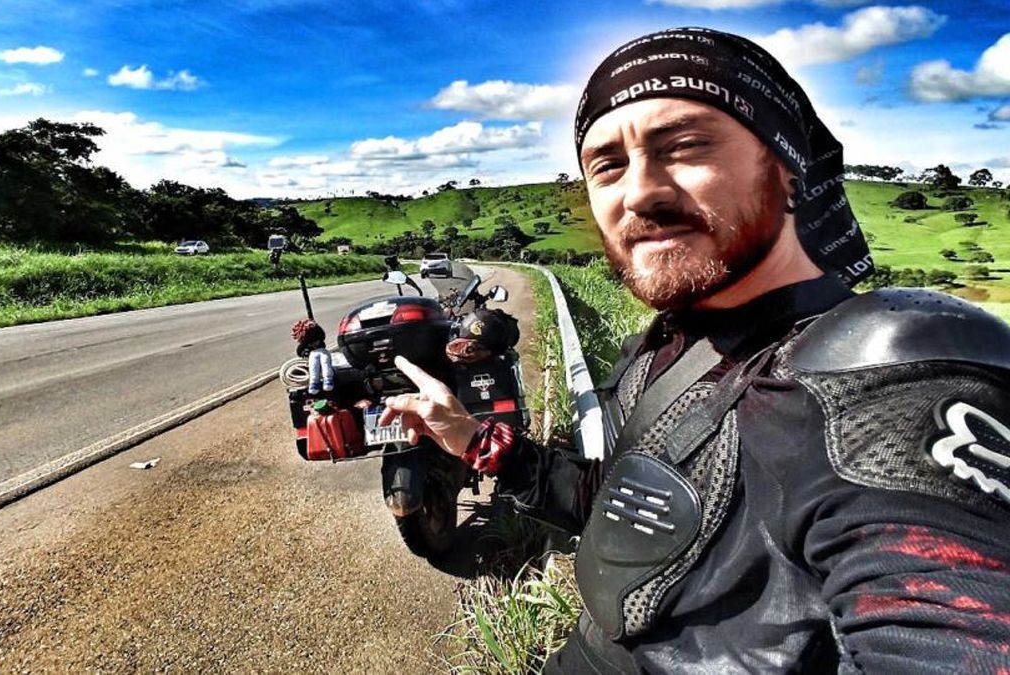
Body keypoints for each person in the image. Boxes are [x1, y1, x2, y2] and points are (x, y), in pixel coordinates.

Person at [380, 27, 1010, 673]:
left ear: (789, 172)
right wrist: (473, 439)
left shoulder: (884, 372)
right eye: (608, 165)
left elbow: (946, 627)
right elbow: (618, 511)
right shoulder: (663, 346)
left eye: (684, 145)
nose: (640, 193)